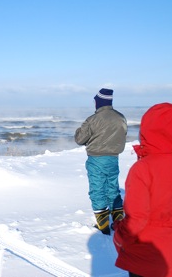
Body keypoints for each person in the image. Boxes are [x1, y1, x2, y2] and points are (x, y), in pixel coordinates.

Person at [112, 103, 172, 277]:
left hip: (143, 261)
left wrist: (119, 237)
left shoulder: (142, 168)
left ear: (146, 130)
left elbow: (137, 218)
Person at [75, 88, 127, 235]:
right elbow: (123, 134)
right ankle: (118, 222)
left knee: (97, 189)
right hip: (113, 158)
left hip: (96, 159)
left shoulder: (92, 120)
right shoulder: (120, 117)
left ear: (98, 102)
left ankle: (103, 225)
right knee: (113, 188)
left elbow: (80, 139)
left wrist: (80, 130)